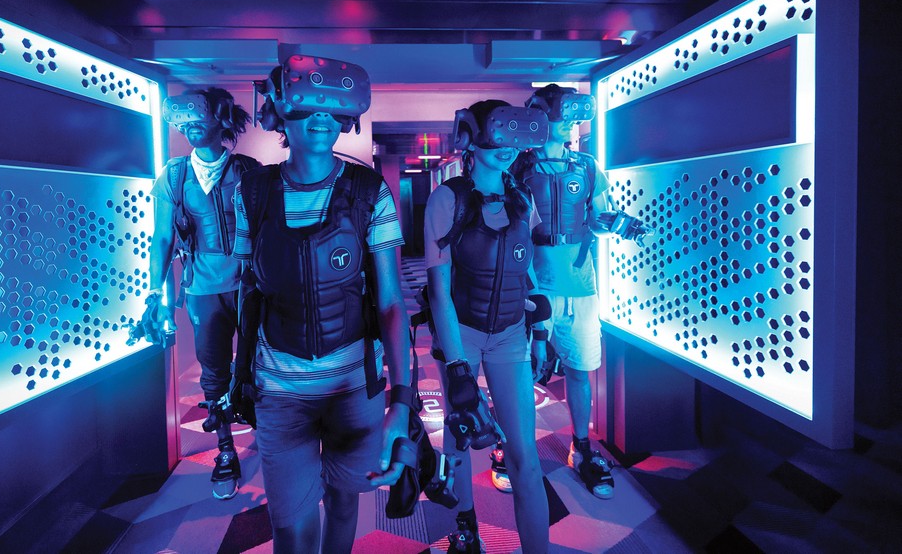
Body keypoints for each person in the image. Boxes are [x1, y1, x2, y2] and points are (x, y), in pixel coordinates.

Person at [233, 55, 411, 553]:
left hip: (353, 385)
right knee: (290, 526)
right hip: (280, 388)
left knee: (345, 502)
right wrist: (236, 372)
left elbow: (392, 301)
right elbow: (247, 288)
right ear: (280, 112)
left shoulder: (369, 191)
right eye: (308, 106)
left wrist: (401, 399)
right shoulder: (252, 192)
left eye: (332, 109)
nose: (321, 119)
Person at [511, 83, 652, 500]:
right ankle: (512, 447)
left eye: (575, 117)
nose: (571, 124)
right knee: (519, 372)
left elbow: (598, 217)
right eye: (563, 115)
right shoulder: (515, 168)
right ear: (540, 116)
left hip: (581, 286)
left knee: (580, 369)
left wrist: (618, 224)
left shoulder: (587, 166)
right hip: (531, 286)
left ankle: (581, 446)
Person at [424, 100, 550, 554]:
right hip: (462, 331)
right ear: (471, 139)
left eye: (512, 138)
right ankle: (465, 528)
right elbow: (439, 291)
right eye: (496, 136)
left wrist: (540, 329)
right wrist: (457, 367)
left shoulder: (523, 198)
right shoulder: (447, 199)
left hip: (511, 334)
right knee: (459, 440)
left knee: (525, 457)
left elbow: (526, 268)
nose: (505, 147)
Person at [138, 87, 261, 501]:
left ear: (221, 120)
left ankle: (271, 434)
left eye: (198, 118)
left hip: (250, 286)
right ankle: (225, 449)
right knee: (213, 372)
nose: (190, 126)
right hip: (203, 288)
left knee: (259, 364)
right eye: (184, 121)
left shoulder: (248, 171)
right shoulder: (174, 176)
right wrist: (154, 293)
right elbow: (161, 239)